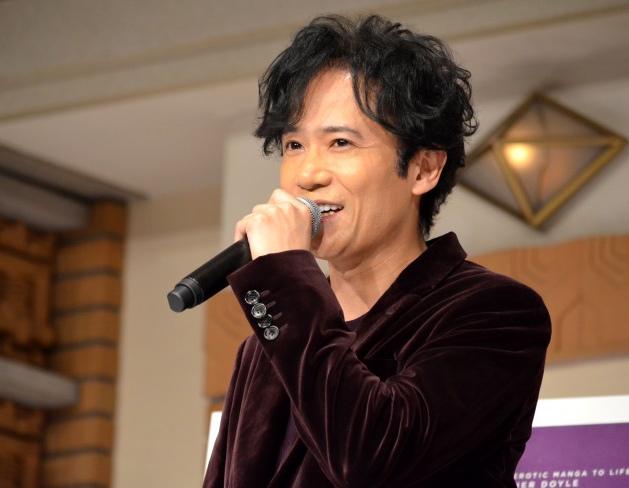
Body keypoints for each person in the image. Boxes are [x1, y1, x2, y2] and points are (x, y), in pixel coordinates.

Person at [203, 14, 551, 488]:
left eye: (340, 142)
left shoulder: (494, 311)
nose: (308, 174)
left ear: (423, 169)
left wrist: (284, 278)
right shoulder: (265, 348)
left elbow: (371, 460)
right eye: (294, 144)